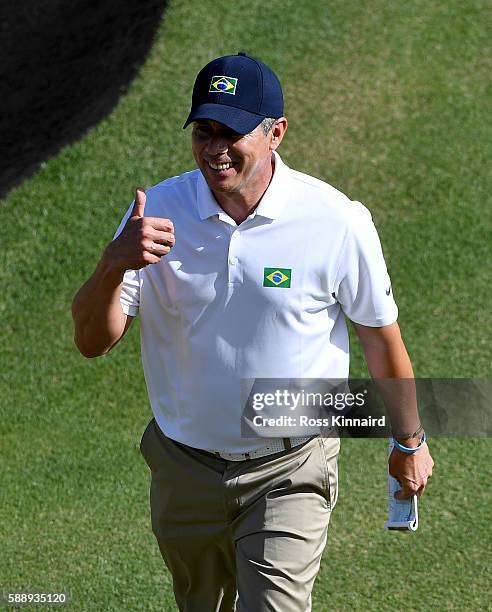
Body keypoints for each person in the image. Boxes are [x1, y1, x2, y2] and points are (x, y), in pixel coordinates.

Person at [72, 52, 434, 611]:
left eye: (232, 132)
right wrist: (113, 263)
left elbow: (381, 342)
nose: (215, 148)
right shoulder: (158, 210)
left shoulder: (335, 221)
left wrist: (409, 442)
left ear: (276, 133)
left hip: (289, 467)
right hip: (184, 467)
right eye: (204, 131)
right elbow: (92, 341)